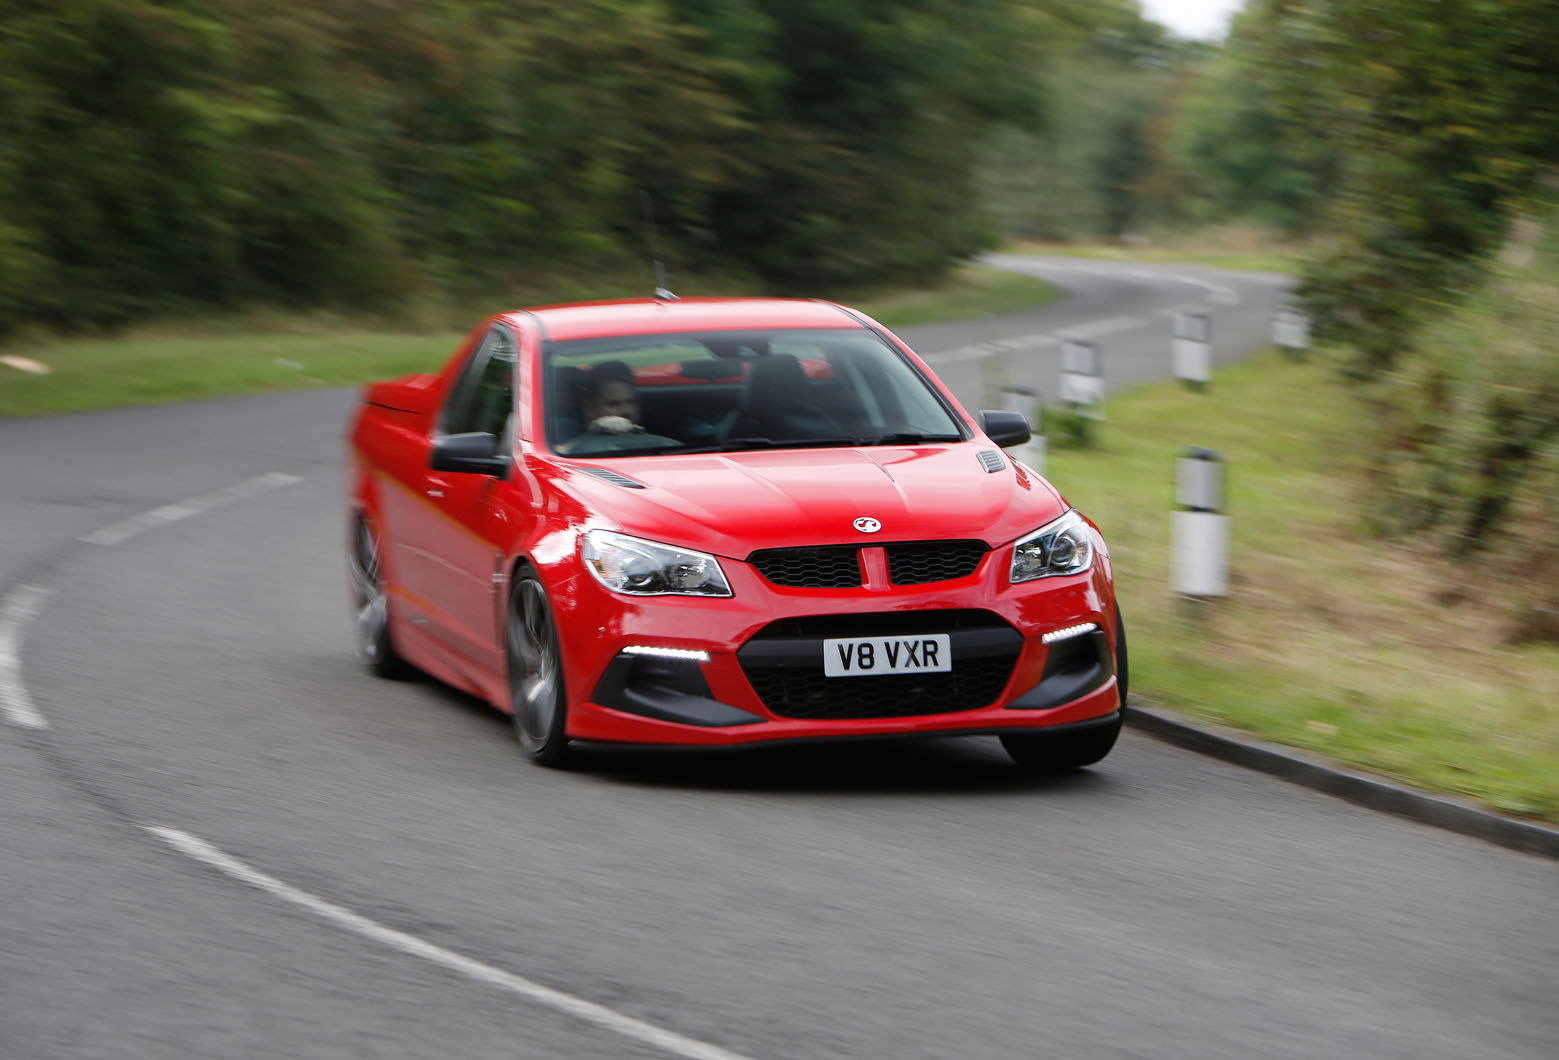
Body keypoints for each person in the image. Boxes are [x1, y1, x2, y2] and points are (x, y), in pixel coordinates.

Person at [558, 360, 675, 454]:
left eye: (631, 402)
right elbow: (556, 455)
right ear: (590, 408)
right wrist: (593, 431)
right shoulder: (559, 432)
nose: (626, 411)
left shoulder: (662, 433)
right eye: (613, 404)